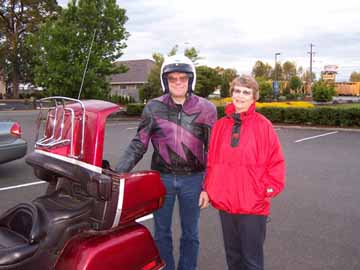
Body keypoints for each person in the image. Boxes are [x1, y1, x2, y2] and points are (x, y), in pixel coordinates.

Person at [115, 54, 217, 270]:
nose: (178, 82)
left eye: (182, 78)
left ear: (191, 80)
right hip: (162, 179)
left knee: (191, 233)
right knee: (161, 232)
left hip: (193, 180)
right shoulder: (153, 107)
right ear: (165, 81)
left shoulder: (207, 109)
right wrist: (117, 173)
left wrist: (209, 186)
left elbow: (214, 151)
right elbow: (138, 144)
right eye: (173, 79)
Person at [199, 75, 285, 270]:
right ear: (231, 94)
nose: (240, 96)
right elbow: (211, 160)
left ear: (254, 97)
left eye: (246, 92)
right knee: (233, 258)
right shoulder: (220, 125)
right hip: (226, 203)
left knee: (252, 261)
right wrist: (206, 188)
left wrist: (265, 191)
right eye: (237, 91)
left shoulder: (263, 126)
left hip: (252, 205)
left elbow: (276, 162)